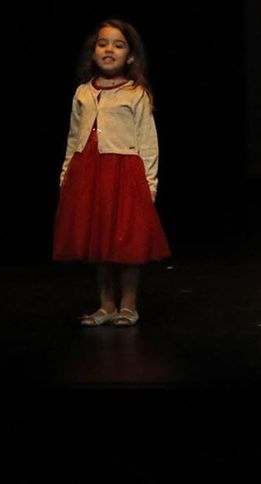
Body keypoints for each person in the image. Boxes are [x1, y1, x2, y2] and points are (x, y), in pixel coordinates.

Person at [53, 19, 171, 327]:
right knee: (99, 241)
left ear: (130, 56)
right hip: (89, 173)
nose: (109, 50)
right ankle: (105, 305)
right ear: (93, 53)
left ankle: (128, 305)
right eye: (103, 44)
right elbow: (72, 137)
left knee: (125, 242)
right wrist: (66, 174)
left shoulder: (136, 93)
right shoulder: (82, 92)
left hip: (124, 174)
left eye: (118, 45)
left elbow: (148, 141)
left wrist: (150, 184)